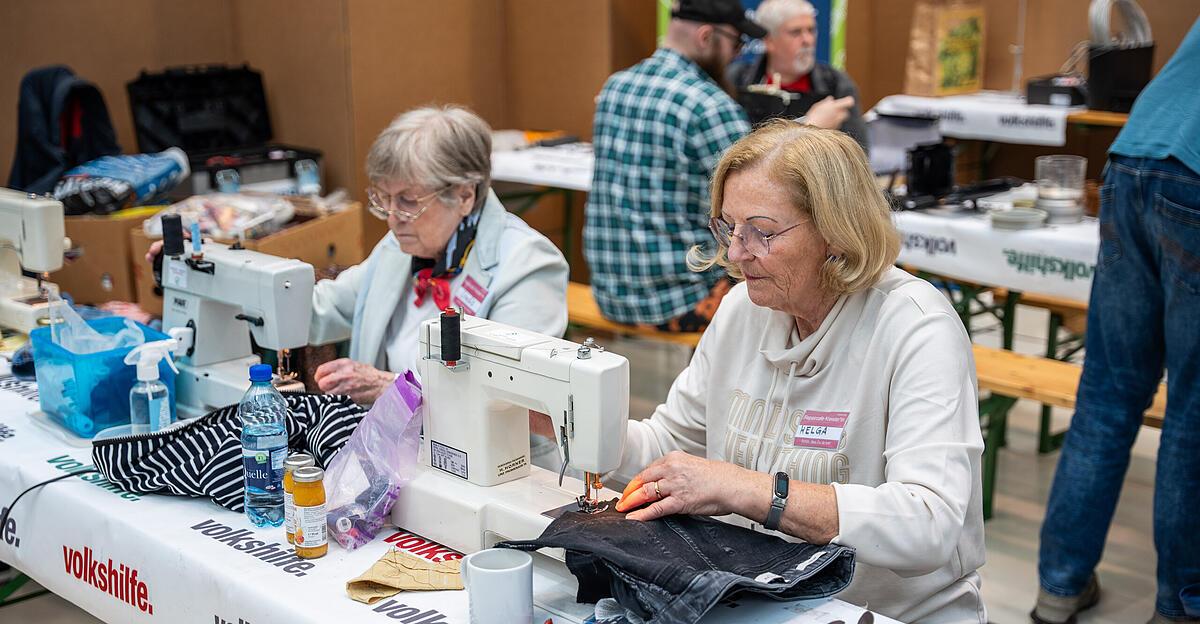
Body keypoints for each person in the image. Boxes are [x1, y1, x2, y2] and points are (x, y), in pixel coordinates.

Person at [593, 122, 985, 622]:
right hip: (770, 600)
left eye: (762, 232)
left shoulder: (916, 326)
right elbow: (671, 445)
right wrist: (573, 429)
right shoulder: (743, 309)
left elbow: (927, 524)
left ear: (836, 233)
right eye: (730, 228)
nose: (737, 253)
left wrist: (750, 489)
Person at [146, 105, 569, 406]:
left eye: (408, 201)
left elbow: (515, 402)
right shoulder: (402, 246)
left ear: (464, 195)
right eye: (383, 199)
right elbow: (316, 310)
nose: (392, 218)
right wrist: (209, 272)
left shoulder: (527, 268)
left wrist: (394, 389)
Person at [1033, 18, 1200, 624]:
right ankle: (1180, 606)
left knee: (1107, 394)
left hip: (1134, 157)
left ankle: (1059, 587)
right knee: (1192, 410)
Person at [584, 0, 852, 333]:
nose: (736, 55)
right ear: (706, 37)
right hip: (680, 303)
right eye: (736, 43)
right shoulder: (708, 105)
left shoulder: (615, 87)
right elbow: (764, 180)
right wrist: (811, 127)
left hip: (609, 294)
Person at [727, 0, 867, 149]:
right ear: (769, 41)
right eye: (796, 32)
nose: (808, 40)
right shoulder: (736, 80)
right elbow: (729, 150)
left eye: (811, 30)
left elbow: (859, 154)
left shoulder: (836, 84)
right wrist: (811, 127)